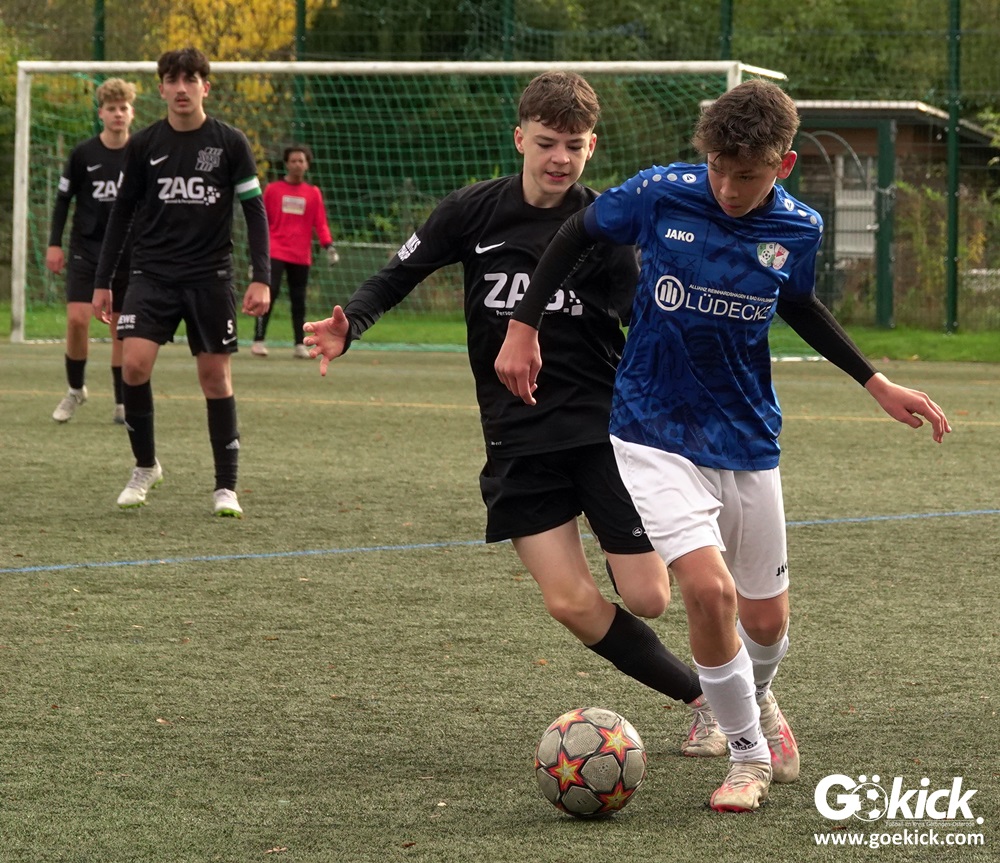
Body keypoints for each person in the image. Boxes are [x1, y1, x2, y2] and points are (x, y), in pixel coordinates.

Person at [494, 78, 952, 812]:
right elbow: (576, 232)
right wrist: (525, 324)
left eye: (747, 175)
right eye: (718, 169)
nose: (729, 188)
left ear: (784, 165)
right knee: (709, 591)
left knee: (766, 622)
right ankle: (747, 757)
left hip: (745, 435)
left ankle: (754, 700)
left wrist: (875, 381)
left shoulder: (798, 228)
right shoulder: (660, 193)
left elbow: (799, 304)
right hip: (650, 428)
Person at [303, 71, 728, 757]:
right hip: (516, 436)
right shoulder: (472, 211)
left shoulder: (606, 227)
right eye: (547, 142)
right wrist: (350, 322)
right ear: (520, 138)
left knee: (650, 596)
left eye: (574, 146)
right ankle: (705, 700)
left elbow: (642, 322)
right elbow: (398, 274)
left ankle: (733, 674)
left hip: (599, 429)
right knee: (568, 602)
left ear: (592, 148)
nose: (560, 158)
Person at [93, 47, 271, 518]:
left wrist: (262, 277)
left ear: (205, 87)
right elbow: (121, 215)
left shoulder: (230, 143)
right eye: (172, 80)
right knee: (134, 366)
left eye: (190, 79)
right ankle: (145, 466)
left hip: (209, 277)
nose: (181, 88)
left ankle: (225, 487)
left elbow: (254, 211)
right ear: (161, 89)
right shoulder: (144, 145)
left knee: (214, 378)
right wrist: (103, 280)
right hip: (151, 274)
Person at [46, 77, 137, 424]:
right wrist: (54, 243)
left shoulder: (141, 153)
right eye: (111, 108)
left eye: (123, 108)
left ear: (132, 113)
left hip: (127, 252)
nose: (118, 114)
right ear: (101, 113)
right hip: (87, 248)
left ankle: (122, 403)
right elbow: (62, 200)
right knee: (77, 319)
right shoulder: (83, 154)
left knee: (120, 328)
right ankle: (75, 389)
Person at [252, 144, 337, 359]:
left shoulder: (313, 193)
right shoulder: (273, 190)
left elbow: (320, 223)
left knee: (299, 299)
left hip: (300, 255)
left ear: (307, 165)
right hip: (275, 251)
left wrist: (328, 245)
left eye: (301, 161)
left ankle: (299, 344)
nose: (297, 164)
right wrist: (256, 255)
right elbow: (262, 221)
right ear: (287, 164)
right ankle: (258, 340)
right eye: (293, 161)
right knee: (269, 294)